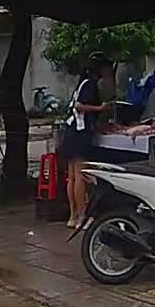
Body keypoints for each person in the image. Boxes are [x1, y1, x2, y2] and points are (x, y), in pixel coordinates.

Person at [61, 52, 115, 229]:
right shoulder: (90, 85)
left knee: (72, 176)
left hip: (71, 132)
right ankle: (82, 216)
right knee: (80, 175)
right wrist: (100, 108)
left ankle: (73, 216)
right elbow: (79, 106)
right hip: (79, 133)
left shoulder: (82, 83)